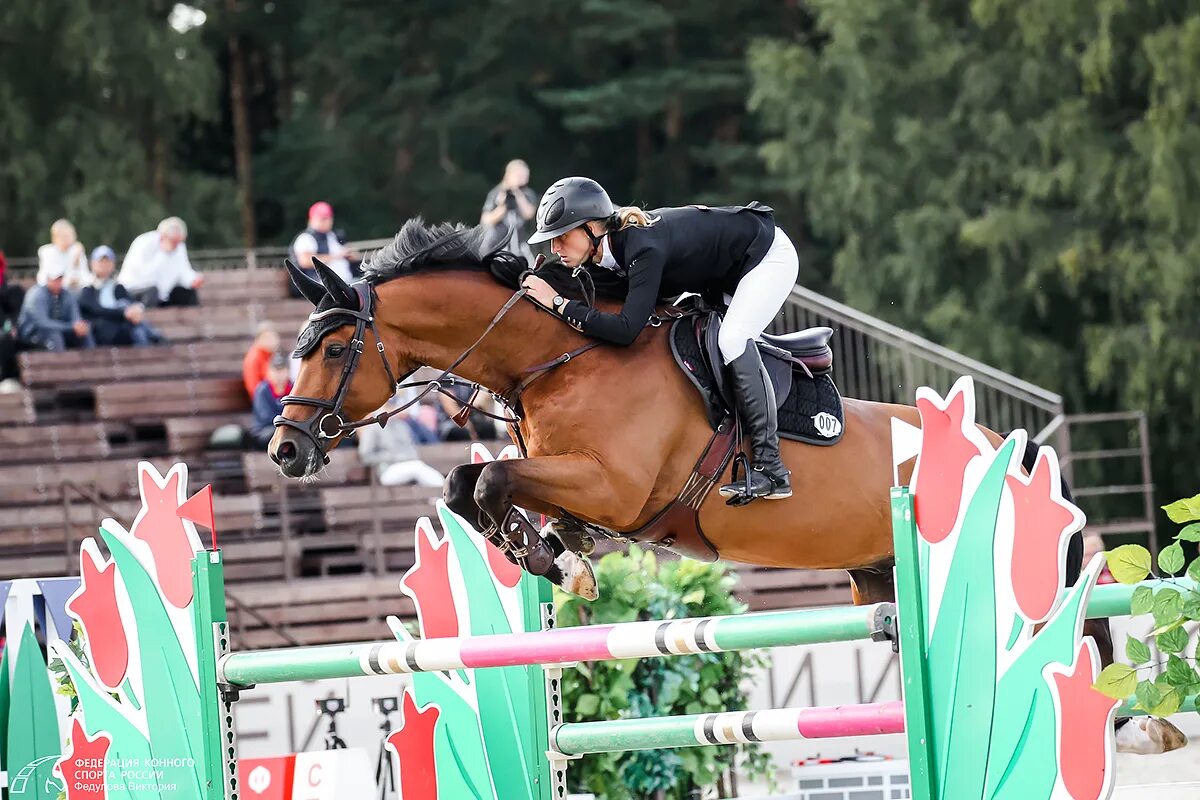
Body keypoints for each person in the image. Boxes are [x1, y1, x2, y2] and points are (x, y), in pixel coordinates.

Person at [521, 176, 797, 502]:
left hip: (765, 256)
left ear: (592, 229)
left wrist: (558, 303)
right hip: (722, 274)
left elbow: (626, 331)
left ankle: (772, 468)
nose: (555, 249)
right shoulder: (608, 253)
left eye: (562, 237)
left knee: (733, 339)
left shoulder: (642, 249)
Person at [78, 246, 164, 347]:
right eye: (101, 262)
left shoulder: (118, 287)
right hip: (101, 330)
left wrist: (133, 311)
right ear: (93, 264)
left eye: (108, 262)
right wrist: (124, 313)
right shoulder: (87, 288)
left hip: (120, 328)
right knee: (124, 306)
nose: (104, 265)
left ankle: (149, 340)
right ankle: (152, 334)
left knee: (137, 327)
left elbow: (131, 305)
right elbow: (97, 309)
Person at [357, 395, 445, 488]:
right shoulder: (373, 428)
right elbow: (365, 456)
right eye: (389, 406)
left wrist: (407, 457)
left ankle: (441, 497)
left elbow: (412, 449)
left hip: (410, 464)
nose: (393, 409)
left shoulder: (402, 425)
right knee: (417, 469)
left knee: (432, 476)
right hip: (387, 469)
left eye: (394, 405)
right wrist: (390, 456)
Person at [117, 217, 204, 307]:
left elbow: (184, 271)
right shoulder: (143, 243)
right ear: (163, 236)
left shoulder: (179, 247)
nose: (176, 245)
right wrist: (164, 254)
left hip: (163, 294)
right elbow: (145, 277)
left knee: (189, 293)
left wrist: (193, 280)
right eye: (174, 241)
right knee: (152, 291)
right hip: (134, 290)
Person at [17, 261, 95, 352]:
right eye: (54, 279)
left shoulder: (67, 294)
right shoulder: (36, 295)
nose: (57, 282)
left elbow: (75, 317)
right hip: (33, 333)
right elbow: (42, 323)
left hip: (61, 331)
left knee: (84, 333)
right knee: (54, 336)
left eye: (60, 278)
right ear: (47, 279)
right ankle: (60, 365)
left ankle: (94, 363)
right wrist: (71, 326)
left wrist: (80, 326)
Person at [289, 201, 357, 291]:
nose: (326, 222)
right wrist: (337, 256)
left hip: (345, 283)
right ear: (311, 219)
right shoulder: (306, 238)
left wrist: (350, 256)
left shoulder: (335, 236)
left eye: (328, 218)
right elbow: (305, 261)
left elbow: (352, 256)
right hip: (320, 286)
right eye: (322, 218)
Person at [480, 159, 538, 262]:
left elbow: (529, 213)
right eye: (520, 176)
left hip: (519, 244)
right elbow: (486, 220)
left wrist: (517, 194)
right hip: (497, 245)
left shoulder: (527, 194)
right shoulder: (496, 193)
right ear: (509, 175)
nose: (524, 179)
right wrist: (501, 206)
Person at [249, 353, 292, 448]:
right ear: (269, 372)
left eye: (282, 370)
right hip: (265, 430)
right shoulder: (262, 390)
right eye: (276, 370)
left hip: (289, 428)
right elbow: (266, 417)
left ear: (288, 371)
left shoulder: (294, 389)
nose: (279, 375)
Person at [37, 219, 90, 290]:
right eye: (65, 236)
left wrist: (76, 263)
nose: (69, 239)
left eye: (71, 235)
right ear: (54, 238)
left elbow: (86, 277)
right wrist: (69, 281)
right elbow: (43, 280)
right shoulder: (46, 252)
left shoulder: (77, 251)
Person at [242, 321, 281, 400]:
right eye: (268, 338)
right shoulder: (254, 357)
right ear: (258, 339)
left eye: (273, 337)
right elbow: (254, 388)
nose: (273, 340)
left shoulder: (272, 355)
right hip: (264, 401)